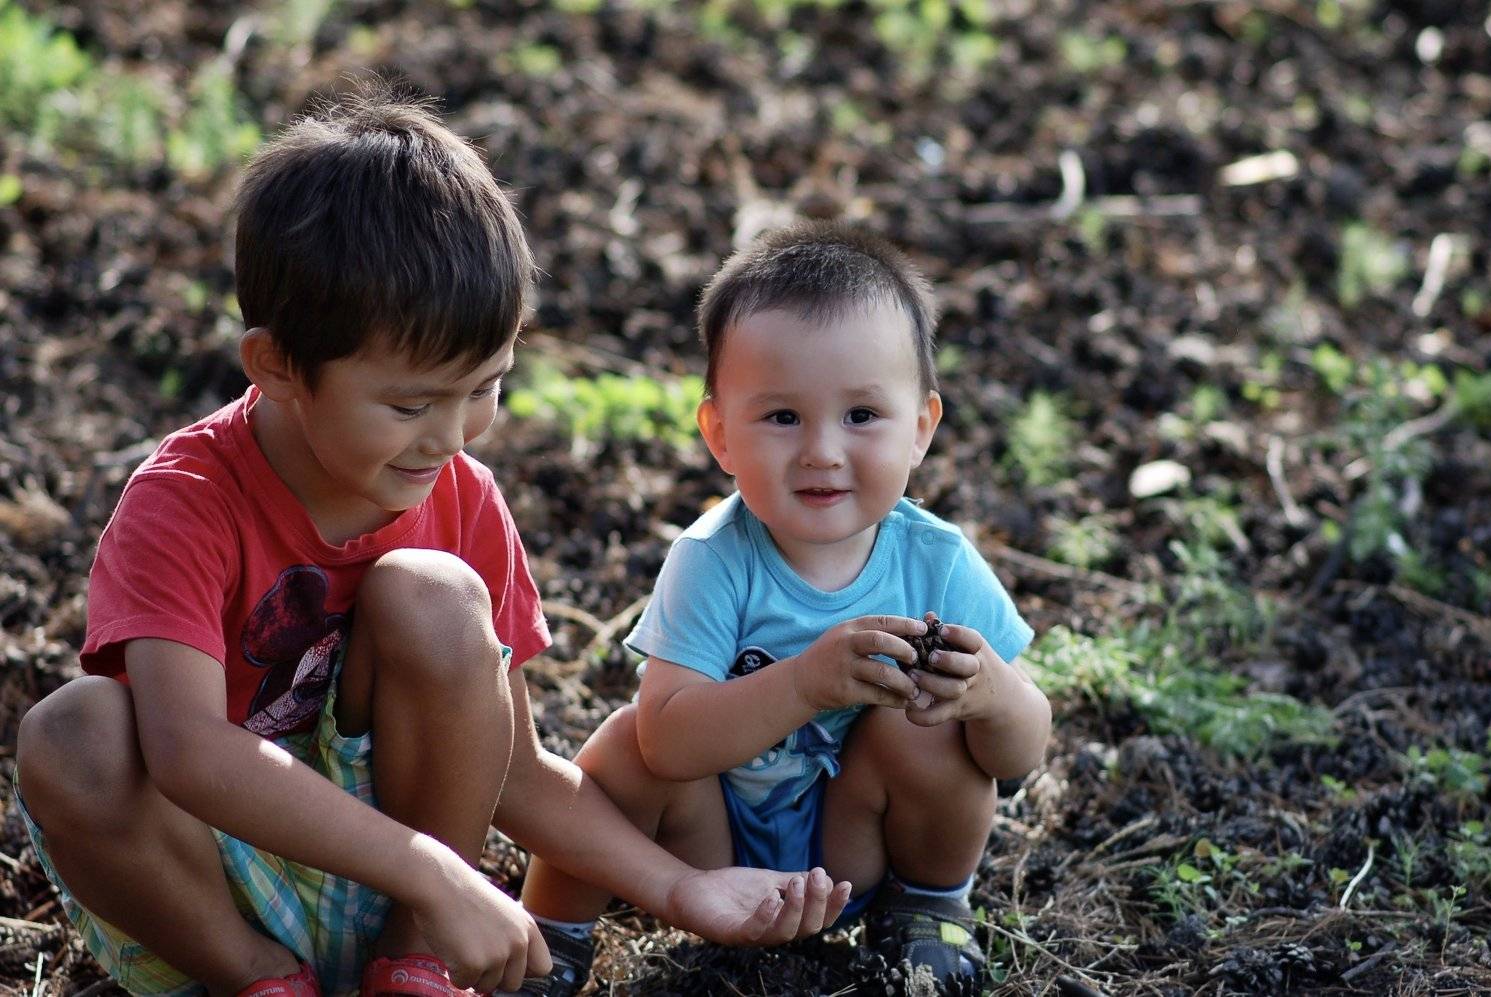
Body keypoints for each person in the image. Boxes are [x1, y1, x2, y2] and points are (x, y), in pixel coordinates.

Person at [12, 89, 849, 997]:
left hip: (410, 899)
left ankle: (409, 966)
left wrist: (682, 888)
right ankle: (263, 982)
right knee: (72, 732)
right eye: (410, 404)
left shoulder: (460, 498)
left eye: (485, 387)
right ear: (277, 365)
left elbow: (515, 769)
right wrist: (434, 869)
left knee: (436, 595)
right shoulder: (187, 502)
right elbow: (187, 751)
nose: (450, 436)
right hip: (204, 888)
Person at [519, 221, 1053, 992]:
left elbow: (1021, 753)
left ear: (920, 429)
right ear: (719, 434)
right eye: (782, 417)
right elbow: (668, 744)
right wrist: (805, 681)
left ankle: (929, 905)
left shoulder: (937, 562)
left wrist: (992, 695)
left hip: (857, 852)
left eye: (861, 415)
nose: (821, 451)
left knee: (932, 727)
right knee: (626, 743)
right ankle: (550, 932)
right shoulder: (713, 559)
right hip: (714, 854)